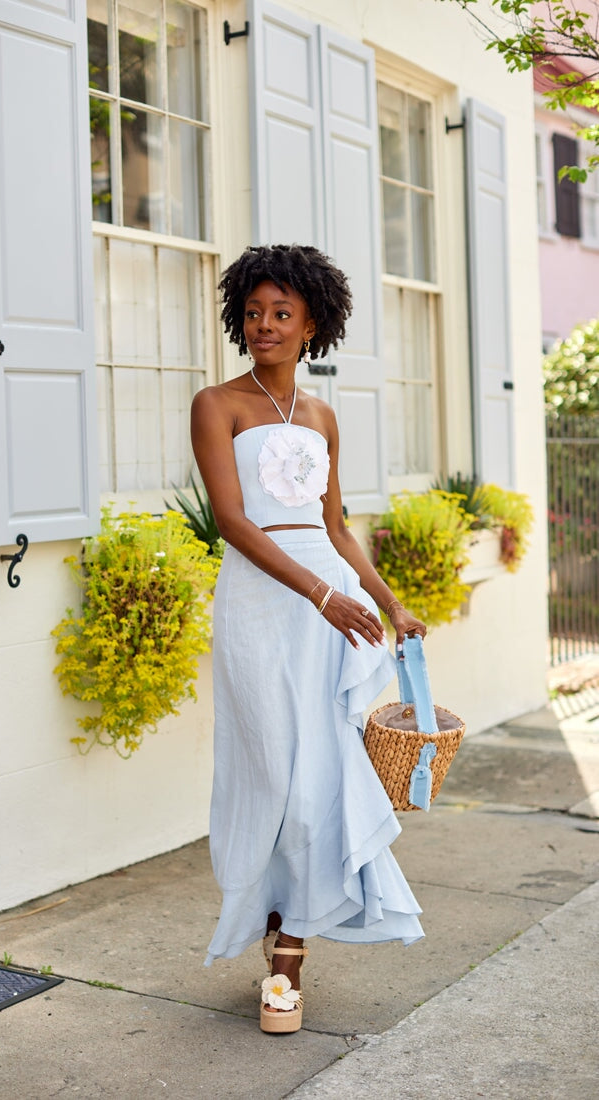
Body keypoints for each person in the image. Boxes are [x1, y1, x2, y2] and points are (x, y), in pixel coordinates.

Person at [190, 244, 427, 1035]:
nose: (264, 325)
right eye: (253, 313)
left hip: (334, 603)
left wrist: (387, 602)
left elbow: (334, 526)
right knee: (273, 773)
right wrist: (319, 593)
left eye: (280, 314)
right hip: (265, 604)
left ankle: (287, 964)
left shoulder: (323, 416)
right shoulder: (216, 404)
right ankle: (272, 921)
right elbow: (233, 522)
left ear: (311, 325)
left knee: (321, 772)